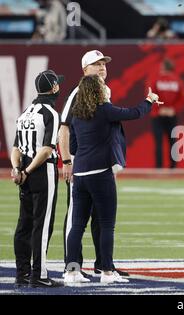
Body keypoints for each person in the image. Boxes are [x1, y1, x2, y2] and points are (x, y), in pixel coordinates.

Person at [64, 75, 162, 284]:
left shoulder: (76, 114)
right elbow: (134, 113)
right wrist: (149, 100)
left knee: (77, 225)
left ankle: (71, 270)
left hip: (80, 174)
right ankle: (107, 272)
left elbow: (73, 147)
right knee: (107, 225)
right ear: (98, 91)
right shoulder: (104, 110)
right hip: (100, 173)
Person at [59, 50, 129, 278]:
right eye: (95, 64)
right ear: (84, 70)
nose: (101, 68)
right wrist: (67, 159)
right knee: (77, 218)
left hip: (99, 163)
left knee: (100, 217)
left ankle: (103, 264)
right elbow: (64, 127)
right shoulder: (79, 92)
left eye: (103, 64)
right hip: (82, 164)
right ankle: (73, 266)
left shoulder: (101, 90)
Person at [11, 70, 64, 288]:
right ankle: (39, 275)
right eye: (57, 84)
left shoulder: (25, 113)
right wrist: (30, 170)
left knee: (24, 223)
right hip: (41, 171)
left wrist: (18, 170)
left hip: (24, 171)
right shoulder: (50, 112)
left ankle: (22, 273)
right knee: (42, 224)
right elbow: (46, 149)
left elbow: (16, 147)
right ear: (53, 88)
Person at [149, 59, 184, 168]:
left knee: (159, 143)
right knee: (173, 142)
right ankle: (173, 168)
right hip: (171, 115)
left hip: (158, 116)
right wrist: (173, 109)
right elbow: (183, 98)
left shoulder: (156, 79)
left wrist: (159, 109)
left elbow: (150, 95)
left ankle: (159, 168)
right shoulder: (178, 80)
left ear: (163, 68)